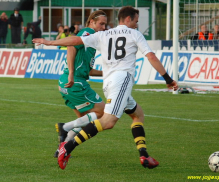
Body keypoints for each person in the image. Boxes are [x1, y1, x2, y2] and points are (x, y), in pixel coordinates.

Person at [33, 6, 178, 170]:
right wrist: (168, 78)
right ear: (128, 19)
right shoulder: (133, 34)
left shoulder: (103, 35)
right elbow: (151, 56)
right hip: (120, 81)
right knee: (107, 121)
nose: (137, 25)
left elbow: (74, 41)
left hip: (109, 83)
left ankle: (144, 155)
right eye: (136, 21)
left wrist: (50, 42)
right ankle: (67, 147)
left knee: (138, 114)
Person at [53, 10, 107, 157]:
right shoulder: (88, 32)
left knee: (83, 121)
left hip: (66, 83)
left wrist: (108, 72)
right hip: (75, 82)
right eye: (101, 24)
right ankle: (64, 127)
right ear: (91, 22)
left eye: (105, 25)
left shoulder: (91, 43)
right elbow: (71, 45)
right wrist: (71, 73)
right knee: (103, 113)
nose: (103, 27)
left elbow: (88, 71)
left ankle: (61, 150)